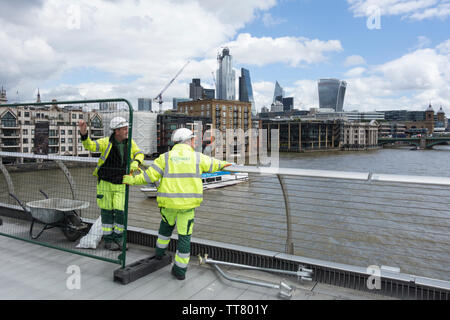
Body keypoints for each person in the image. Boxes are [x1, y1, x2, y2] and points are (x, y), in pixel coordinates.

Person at [123, 128, 231, 280]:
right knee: (184, 237)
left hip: (168, 204)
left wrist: (132, 180)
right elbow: (215, 164)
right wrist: (227, 163)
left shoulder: (165, 157)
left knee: (165, 229)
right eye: (193, 139)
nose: (194, 142)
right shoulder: (198, 158)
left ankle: (159, 254)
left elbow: (148, 176)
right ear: (188, 141)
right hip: (187, 207)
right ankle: (180, 271)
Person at [79, 117, 144, 251]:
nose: (127, 131)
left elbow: (139, 153)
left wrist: (136, 162)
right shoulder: (105, 142)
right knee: (107, 212)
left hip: (121, 182)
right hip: (105, 182)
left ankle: (119, 238)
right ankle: (108, 240)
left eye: (127, 128)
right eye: (125, 128)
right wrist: (84, 134)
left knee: (120, 211)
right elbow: (89, 146)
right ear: (117, 131)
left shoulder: (129, 142)